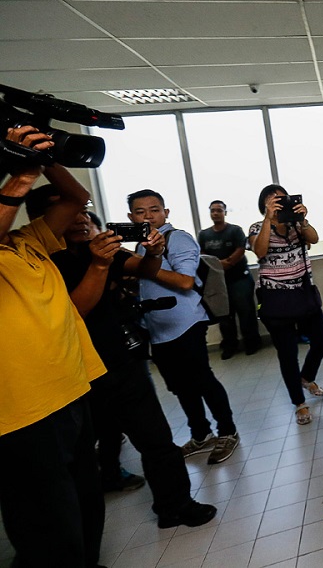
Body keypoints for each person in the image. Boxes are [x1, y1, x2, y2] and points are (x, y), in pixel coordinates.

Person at [50, 207, 218, 529]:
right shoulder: (46, 264)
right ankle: (90, 510)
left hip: (120, 362)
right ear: (47, 221)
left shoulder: (102, 252)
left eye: (85, 213)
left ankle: (175, 506)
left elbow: (146, 269)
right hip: (75, 371)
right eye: (69, 213)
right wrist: (99, 264)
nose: (82, 219)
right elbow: (75, 312)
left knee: (155, 438)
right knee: (84, 452)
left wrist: (154, 252)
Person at [0, 125, 107, 568]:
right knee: (46, 519)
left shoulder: (26, 242)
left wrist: (46, 156)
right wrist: (21, 176)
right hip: (24, 411)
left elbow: (76, 199)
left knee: (84, 497)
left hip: (72, 390)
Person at [128, 189, 240, 464]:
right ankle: (200, 434)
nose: (149, 216)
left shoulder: (175, 239)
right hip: (158, 329)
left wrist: (145, 267)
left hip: (186, 323)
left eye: (154, 210)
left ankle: (227, 431)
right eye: (140, 212)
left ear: (166, 213)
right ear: (131, 218)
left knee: (202, 379)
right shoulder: (142, 245)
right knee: (180, 386)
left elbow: (185, 281)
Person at [249, 184, 323, 425]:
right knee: (287, 354)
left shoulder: (297, 225)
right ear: (264, 205)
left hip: (303, 294)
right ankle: (299, 404)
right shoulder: (257, 227)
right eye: (273, 200)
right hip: (275, 299)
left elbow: (314, 239)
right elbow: (260, 251)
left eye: (282, 199)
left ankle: (306, 377)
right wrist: (268, 219)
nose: (279, 203)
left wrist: (303, 220)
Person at [198, 200, 262, 358]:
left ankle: (252, 342)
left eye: (219, 210)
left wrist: (227, 263)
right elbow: (202, 255)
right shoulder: (204, 234)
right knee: (224, 316)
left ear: (225, 212)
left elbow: (240, 250)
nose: (215, 213)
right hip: (217, 283)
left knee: (246, 312)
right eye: (212, 210)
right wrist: (219, 265)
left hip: (239, 279)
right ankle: (230, 345)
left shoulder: (235, 230)